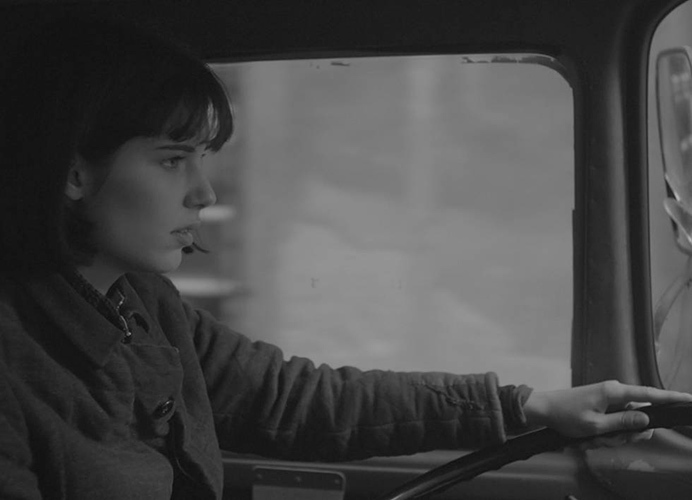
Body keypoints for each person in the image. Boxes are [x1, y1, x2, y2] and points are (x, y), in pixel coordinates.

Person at [0, 17, 690, 500]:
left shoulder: (144, 305)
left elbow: (293, 400)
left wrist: (527, 405)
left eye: (204, 159)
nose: (204, 193)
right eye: (172, 160)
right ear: (73, 172)